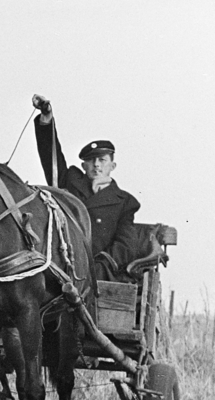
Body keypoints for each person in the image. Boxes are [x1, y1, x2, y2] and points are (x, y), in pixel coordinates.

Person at [32, 95, 143, 274]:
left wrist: (98, 268)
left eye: (102, 160)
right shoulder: (69, 181)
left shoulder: (125, 202)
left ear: (112, 166)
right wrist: (46, 120)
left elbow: (125, 246)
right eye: (91, 161)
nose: (96, 165)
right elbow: (51, 157)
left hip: (96, 272)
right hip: (60, 265)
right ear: (84, 166)